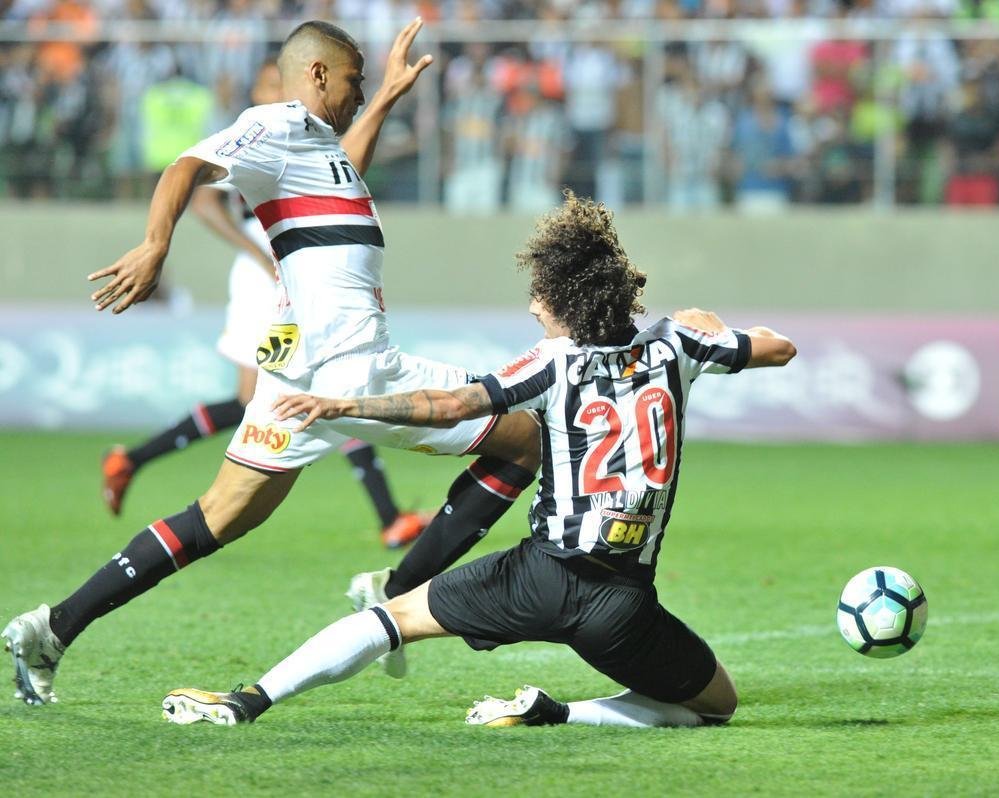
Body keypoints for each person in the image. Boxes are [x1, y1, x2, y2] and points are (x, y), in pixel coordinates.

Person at [2, 19, 542, 707]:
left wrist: (384, 102)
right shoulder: (276, 123)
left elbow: (344, 173)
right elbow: (186, 166)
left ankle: (51, 627)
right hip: (355, 368)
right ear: (316, 75)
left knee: (219, 516)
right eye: (354, 81)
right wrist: (154, 243)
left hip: (299, 370)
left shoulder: (317, 149)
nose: (358, 92)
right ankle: (399, 589)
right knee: (525, 438)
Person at [160, 192, 797, 729]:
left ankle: (250, 700)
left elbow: (452, 405)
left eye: (539, 295)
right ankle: (558, 713)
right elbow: (780, 348)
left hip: (538, 576)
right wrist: (709, 323)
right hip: (621, 603)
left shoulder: (551, 361)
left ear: (566, 299)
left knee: (394, 618)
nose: (531, 307)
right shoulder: (679, 344)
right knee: (715, 706)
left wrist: (341, 404)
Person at [101, 59, 428, 549]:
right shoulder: (255, 132)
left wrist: (382, 100)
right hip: (268, 278)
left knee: (297, 385)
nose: (282, 92)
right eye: (271, 84)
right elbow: (203, 198)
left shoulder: (299, 137)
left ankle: (136, 461)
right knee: (298, 385)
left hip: (290, 273)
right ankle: (386, 515)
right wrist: (256, 253)